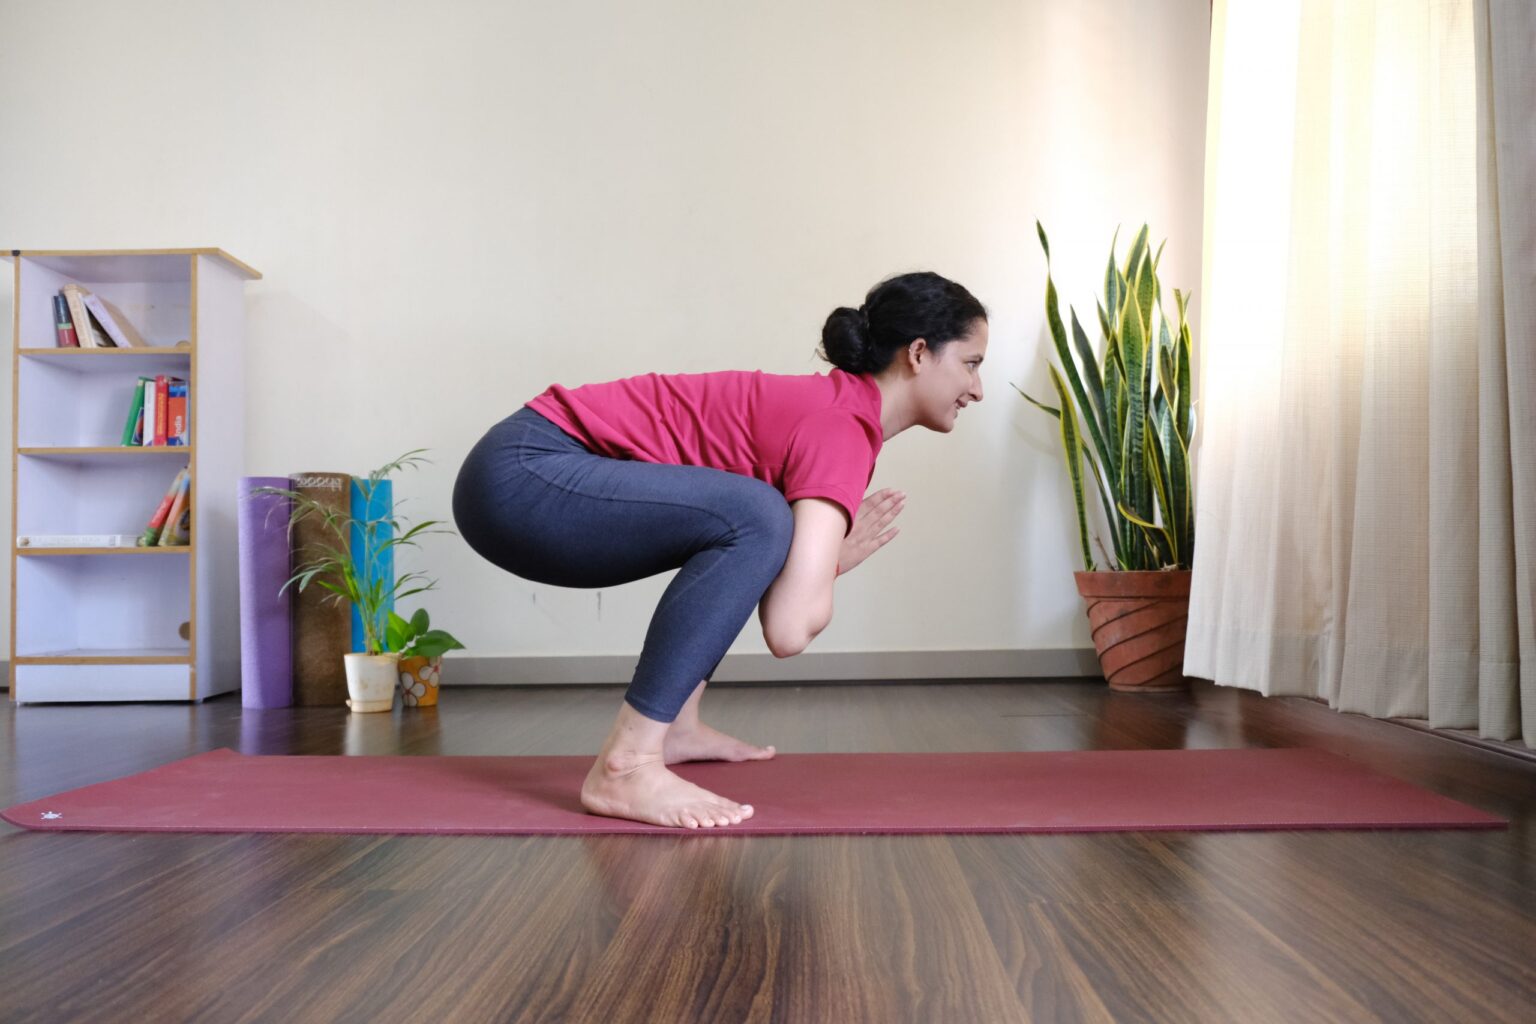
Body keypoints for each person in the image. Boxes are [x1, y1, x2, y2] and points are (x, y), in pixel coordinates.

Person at [451, 271, 988, 829]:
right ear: (919, 353)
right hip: (522, 476)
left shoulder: (837, 415)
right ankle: (626, 765)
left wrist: (811, 561)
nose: (978, 389)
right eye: (971, 364)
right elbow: (788, 628)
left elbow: (748, 567)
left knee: (751, 519)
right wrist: (829, 564)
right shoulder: (841, 428)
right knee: (758, 515)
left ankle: (676, 723)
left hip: (518, 476)